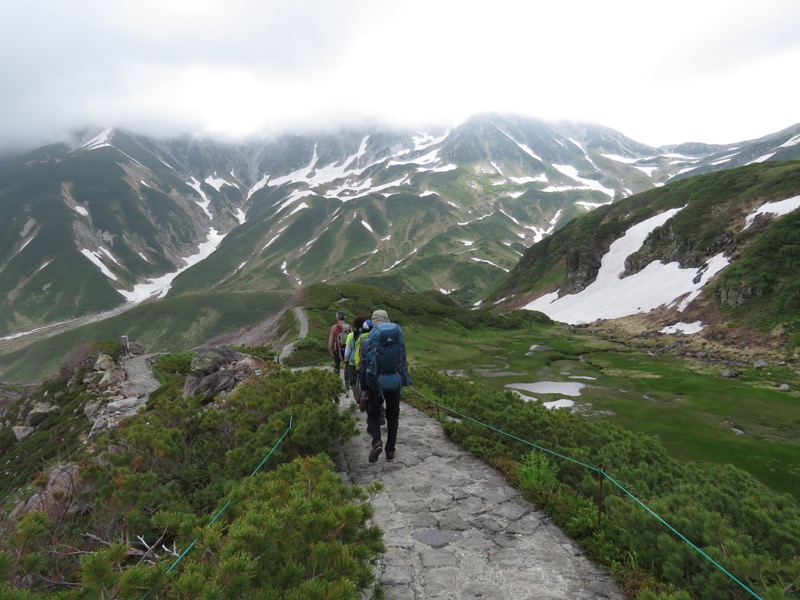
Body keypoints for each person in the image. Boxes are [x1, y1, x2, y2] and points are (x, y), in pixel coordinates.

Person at [359, 309, 411, 463]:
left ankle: (376, 442)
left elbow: (363, 367)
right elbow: (403, 361)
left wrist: (364, 390)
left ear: (373, 322)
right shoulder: (397, 339)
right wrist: (403, 380)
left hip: (375, 384)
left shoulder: (368, 341)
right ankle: (390, 450)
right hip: (395, 383)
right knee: (393, 416)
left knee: (373, 415)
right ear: (388, 320)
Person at [343, 315, 366, 400]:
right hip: (364, 361)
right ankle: (365, 396)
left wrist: (345, 363)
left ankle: (357, 398)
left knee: (353, 382)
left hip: (353, 361)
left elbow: (347, 350)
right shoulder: (367, 335)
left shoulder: (351, 335)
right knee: (364, 380)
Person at [328, 311, 351, 380]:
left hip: (337, 350)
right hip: (347, 349)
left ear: (337, 318)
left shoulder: (334, 327)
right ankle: (347, 381)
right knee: (346, 364)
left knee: (336, 365)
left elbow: (330, 343)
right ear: (345, 318)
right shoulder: (349, 327)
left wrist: (331, 351)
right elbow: (352, 339)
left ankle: (336, 380)